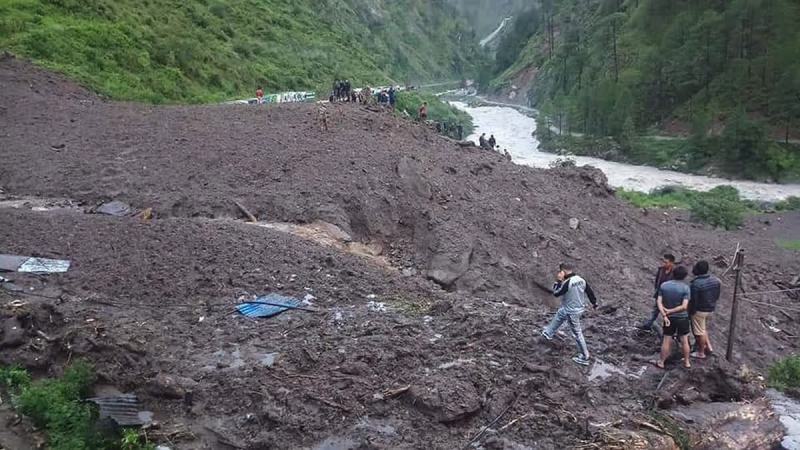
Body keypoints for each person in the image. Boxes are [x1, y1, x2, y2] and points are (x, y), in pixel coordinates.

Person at [542, 263, 598, 366]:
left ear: (563, 271)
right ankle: (548, 333)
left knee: (577, 333)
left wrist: (559, 280)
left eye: (560, 272)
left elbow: (556, 293)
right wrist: (594, 303)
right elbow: (590, 292)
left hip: (572, 312)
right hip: (574, 308)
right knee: (560, 314)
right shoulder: (581, 279)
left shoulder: (567, 283)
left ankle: (585, 357)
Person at [655, 265, 692, 369]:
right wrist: (671, 311)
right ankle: (687, 362)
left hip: (669, 318)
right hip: (682, 318)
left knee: (667, 339)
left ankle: (661, 362)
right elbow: (684, 306)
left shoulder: (664, 286)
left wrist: (665, 313)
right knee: (684, 340)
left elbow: (659, 301)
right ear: (684, 276)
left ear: (673, 274)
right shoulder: (685, 288)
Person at [689, 261, 721, 359]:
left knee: (699, 332)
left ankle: (701, 352)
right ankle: (709, 348)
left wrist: (691, 311)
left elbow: (693, 300)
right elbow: (717, 296)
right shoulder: (716, 281)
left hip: (700, 311)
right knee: (703, 328)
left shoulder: (696, 284)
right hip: (710, 309)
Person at [638, 254, 676, 331]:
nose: (664, 264)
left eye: (666, 262)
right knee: (655, 310)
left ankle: (669, 331)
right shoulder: (661, 270)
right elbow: (657, 280)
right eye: (663, 262)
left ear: (672, 263)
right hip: (659, 294)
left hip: (669, 297)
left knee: (668, 314)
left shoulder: (675, 273)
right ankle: (647, 325)